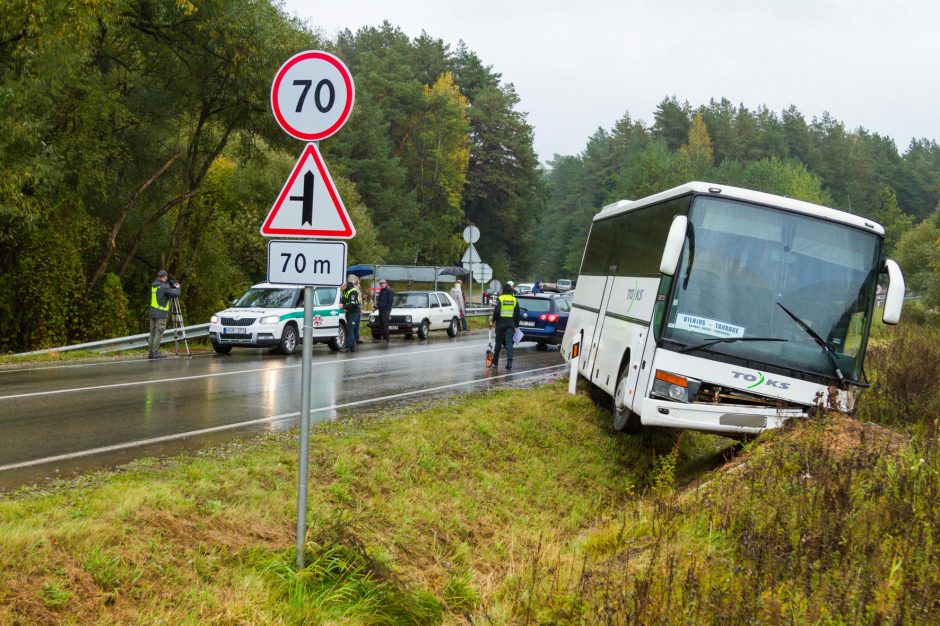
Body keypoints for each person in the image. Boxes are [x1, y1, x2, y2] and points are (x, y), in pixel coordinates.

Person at [148, 269, 181, 359]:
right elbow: (175, 294)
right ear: (165, 277)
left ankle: (151, 352)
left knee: (152, 333)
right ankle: (155, 352)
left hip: (152, 313)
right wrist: (178, 288)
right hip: (160, 314)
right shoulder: (164, 287)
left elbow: (163, 293)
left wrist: (169, 285)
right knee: (159, 332)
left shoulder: (154, 285)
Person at [489, 283, 520, 370]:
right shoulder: (514, 300)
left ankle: (495, 361)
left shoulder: (500, 299)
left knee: (498, 342)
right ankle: (509, 362)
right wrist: (516, 325)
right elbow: (517, 314)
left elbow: (496, 312)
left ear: (503, 290)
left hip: (500, 324)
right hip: (510, 324)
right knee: (509, 343)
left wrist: (493, 320)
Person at [341, 280, 361, 352]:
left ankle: (348, 346)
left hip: (353, 312)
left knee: (350, 329)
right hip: (350, 312)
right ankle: (353, 347)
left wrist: (343, 306)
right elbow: (345, 300)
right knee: (350, 329)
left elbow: (352, 303)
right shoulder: (347, 291)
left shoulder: (353, 291)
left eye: (343, 286)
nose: (341, 288)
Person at [347, 274, 364, 344]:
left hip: (350, 309)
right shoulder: (355, 288)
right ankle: (354, 339)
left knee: (352, 325)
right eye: (358, 280)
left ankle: (354, 339)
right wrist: (360, 309)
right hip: (355, 309)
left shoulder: (348, 287)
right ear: (356, 280)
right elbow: (359, 300)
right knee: (355, 325)